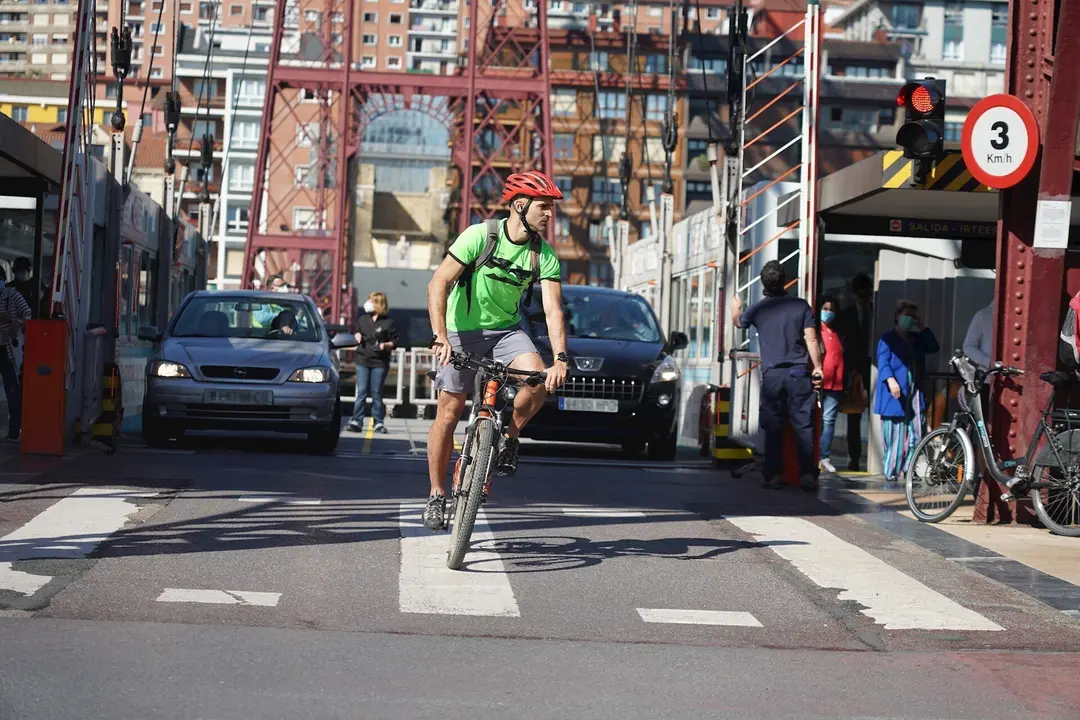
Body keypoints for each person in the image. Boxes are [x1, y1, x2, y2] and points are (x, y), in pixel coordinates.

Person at [422, 171, 569, 530]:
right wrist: (440, 335)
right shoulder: (480, 235)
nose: (550, 214)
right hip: (460, 330)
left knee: (535, 380)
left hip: (506, 333)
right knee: (449, 411)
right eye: (544, 207)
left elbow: (553, 310)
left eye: (551, 208)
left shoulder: (542, 254)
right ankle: (437, 494)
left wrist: (560, 359)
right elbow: (438, 282)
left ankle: (510, 436)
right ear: (520, 205)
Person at [731, 260, 824, 491]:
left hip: (772, 375)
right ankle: (807, 476)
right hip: (799, 373)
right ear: (785, 280)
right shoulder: (801, 306)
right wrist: (818, 367)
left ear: (763, 283)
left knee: (773, 427)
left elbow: (738, 322)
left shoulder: (759, 308)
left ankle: (773, 475)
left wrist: (736, 306)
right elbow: (812, 339)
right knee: (803, 426)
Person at [874, 299, 940, 482]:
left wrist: (924, 328)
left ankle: (909, 467)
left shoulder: (918, 338)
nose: (910, 319)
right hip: (894, 393)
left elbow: (934, 347)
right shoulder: (887, 338)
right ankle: (891, 472)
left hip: (914, 390)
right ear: (897, 316)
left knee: (918, 431)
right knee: (894, 435)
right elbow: (883, 362)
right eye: (907, 315)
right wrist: (891, 381)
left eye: (913, 316)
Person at [347, 291, 399, 435]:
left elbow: (395, 341)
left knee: (376, 393)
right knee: (361, 392)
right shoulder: (363, 319)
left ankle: (378, 422)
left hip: (379, 362)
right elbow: (357, 332)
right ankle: (356, 420)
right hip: (363, 359)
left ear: (378, 303)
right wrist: (357, 335)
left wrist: (386, 345)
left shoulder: (388, 322)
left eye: (370, 300)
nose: (368, 303)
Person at [838, 273, 873, 471]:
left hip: (873, 367)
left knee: (877, 413)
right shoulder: (848, 314)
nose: (864, 298)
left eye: (867, 293)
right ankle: (855, 456)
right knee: (854, 414)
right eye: (861, 295)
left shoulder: (877, 311)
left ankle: (876, 457)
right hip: (855, 370)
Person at [0, 269, 32, 442]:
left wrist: (17, 322)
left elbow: (28, 313)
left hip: (7, 350)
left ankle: (15, 430)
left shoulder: (12, 295)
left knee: (13, 390)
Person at [817, 296, 845, 474]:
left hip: (836, 383)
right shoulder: (815, 331)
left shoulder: (836, 333)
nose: (828, 312)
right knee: (817, 420)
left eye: (831, 309)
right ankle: (814, 455)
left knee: (828, 421)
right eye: (825, 308)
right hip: (820, 382)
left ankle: (823, 456)